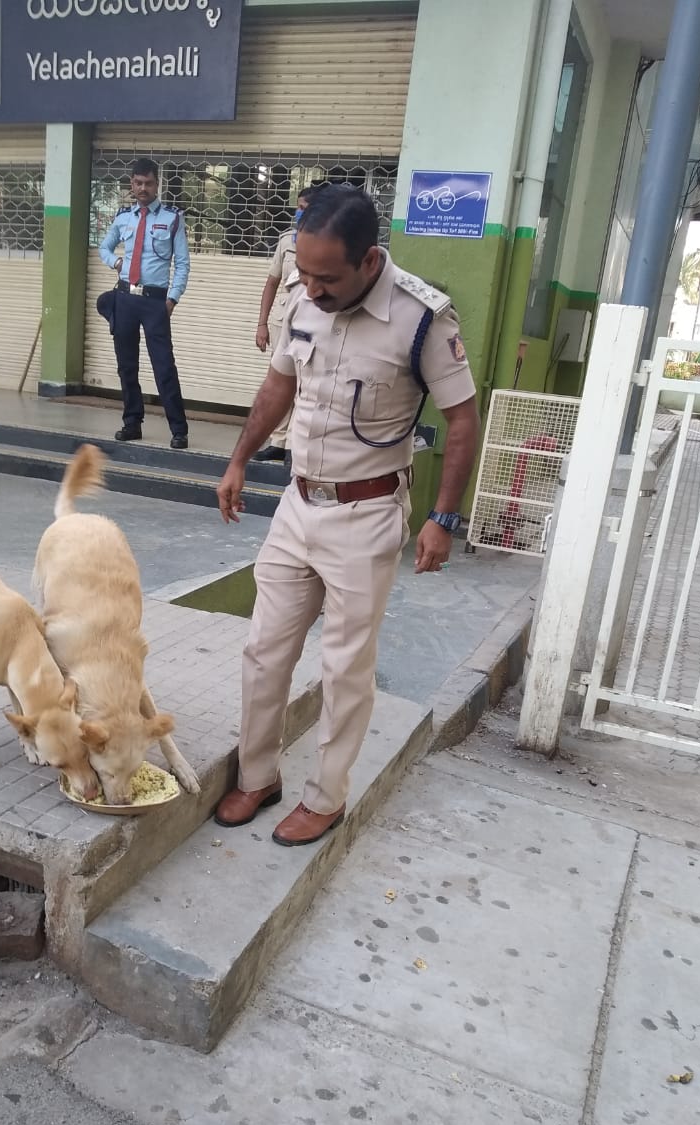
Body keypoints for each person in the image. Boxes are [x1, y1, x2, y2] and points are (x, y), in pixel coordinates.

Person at [214, 185, 480, 847]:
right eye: (302, 272)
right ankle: (256, 776)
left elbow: (463, 419)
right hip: (297, 505)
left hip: (365, 516)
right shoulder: (304, 297)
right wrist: (239, 459)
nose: (310, 287)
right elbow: (279, 383)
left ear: (369, 261)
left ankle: (326, 797)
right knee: (263, 650)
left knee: (344, 668)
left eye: (326, 277)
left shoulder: (422, 318)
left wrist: (442, 520)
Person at [99, 158, 191, 449]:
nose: (142, 188)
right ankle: (132, 423)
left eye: (148, 183)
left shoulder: (172, 217)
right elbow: (105, 246)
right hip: (125, 298)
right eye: (137, 183)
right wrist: (115, 261)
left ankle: (178, 429)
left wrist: (172, 299)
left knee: (164, 366)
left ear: (157, 184)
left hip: (155, 302)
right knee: (126, 366)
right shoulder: (123, 217)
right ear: (131, 184)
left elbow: (183, 264)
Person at [252, 186, 315, 463]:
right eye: (299, 206)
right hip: (283, 318)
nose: (301, 212)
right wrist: (262, 323)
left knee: (305, 384)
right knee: (280, 381)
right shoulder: (285, 241)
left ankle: (294, 444)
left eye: (307, 208)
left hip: (313, 319)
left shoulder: (329, 242)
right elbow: (271, 282)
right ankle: (278, 440)